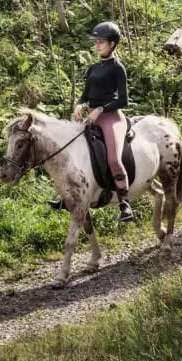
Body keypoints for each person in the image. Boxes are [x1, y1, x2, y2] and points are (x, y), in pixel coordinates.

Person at [73, 20, 137, 223]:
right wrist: (80, 105)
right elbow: (85, 95)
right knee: (72, 153)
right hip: (92, 117)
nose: (97, 45)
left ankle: (125, 204)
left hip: (111, 117)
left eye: (101, 42)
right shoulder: (92, 69)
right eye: (96, 42)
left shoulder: (118, 68)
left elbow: (123, 100)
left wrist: (100, 109)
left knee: (113, 160)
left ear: (112, 44)